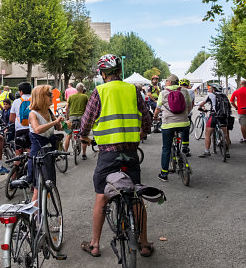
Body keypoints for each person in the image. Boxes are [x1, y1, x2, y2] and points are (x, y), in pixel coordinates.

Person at [79, 54, 153, 257]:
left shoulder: (99, 91)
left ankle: (94, 244)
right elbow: (146, 118)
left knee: (102, 196)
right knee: (136, 195)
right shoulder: (133, 89)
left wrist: (84, 136)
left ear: (103, 73)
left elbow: (86, 122)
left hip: (108, 154)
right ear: (119, 72)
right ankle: (145, 244)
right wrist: (143, 132)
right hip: (130, 152)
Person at [153, 74, 192, 181]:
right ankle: (184, 149)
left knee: (166, 149)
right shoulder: (185, 91)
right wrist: (184, 115)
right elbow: (189, 106)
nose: (165, 83)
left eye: (166, 81)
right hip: (184, 123)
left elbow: (158, 108)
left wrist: (155, 117)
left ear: (169, 82)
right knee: (183, 130)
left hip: (168, 125)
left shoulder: (163, 93)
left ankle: (164, 174)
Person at [28, 85, 63, 202]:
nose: (52, 97)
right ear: (40, 97)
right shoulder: (33, 114)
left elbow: (58, 126)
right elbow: (37, 129)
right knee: (38, 189)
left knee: (48, 184)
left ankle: (40, 216)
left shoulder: (48, 111)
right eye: (49, 95)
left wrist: (61, 123)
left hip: (48, 152)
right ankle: (35, 217)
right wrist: (55, 122)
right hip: (39, 153)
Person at [197, 84, 232, 158]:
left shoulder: (210, 95)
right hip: (223, 116)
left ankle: (207, 151)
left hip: (214, 116)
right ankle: (227, 152)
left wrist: (200, 108)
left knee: (207, 134)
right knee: (225, 135)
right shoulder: (224, 96)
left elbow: (202, 103)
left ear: (213, 89)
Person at [64, 83, 89, 159]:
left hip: (72, 118)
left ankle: (65, 152)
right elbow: (88, 108)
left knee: (68, 135)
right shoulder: (85, 97)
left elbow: (66, 108)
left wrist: (67, 118)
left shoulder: (71, 97)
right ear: (82, 89)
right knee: (84, 135)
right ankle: (84, 154)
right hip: (82, 118)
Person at [10, 82, 33, 156]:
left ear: (21, 92)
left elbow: (11, 118)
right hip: (32, 129)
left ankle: (17, 164)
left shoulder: (16, 102)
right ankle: (30, 164)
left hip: (20, 129)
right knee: (30, 148)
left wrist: (18, 123)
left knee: (18, 150)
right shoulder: (34, 101)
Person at [179, 78, 195, 156]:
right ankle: (185, 148)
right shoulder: (191, 91)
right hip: (186, 114)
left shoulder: (176, 91)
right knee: (185, 131)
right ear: (188, 85)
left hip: (176, 114)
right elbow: (192, 103)